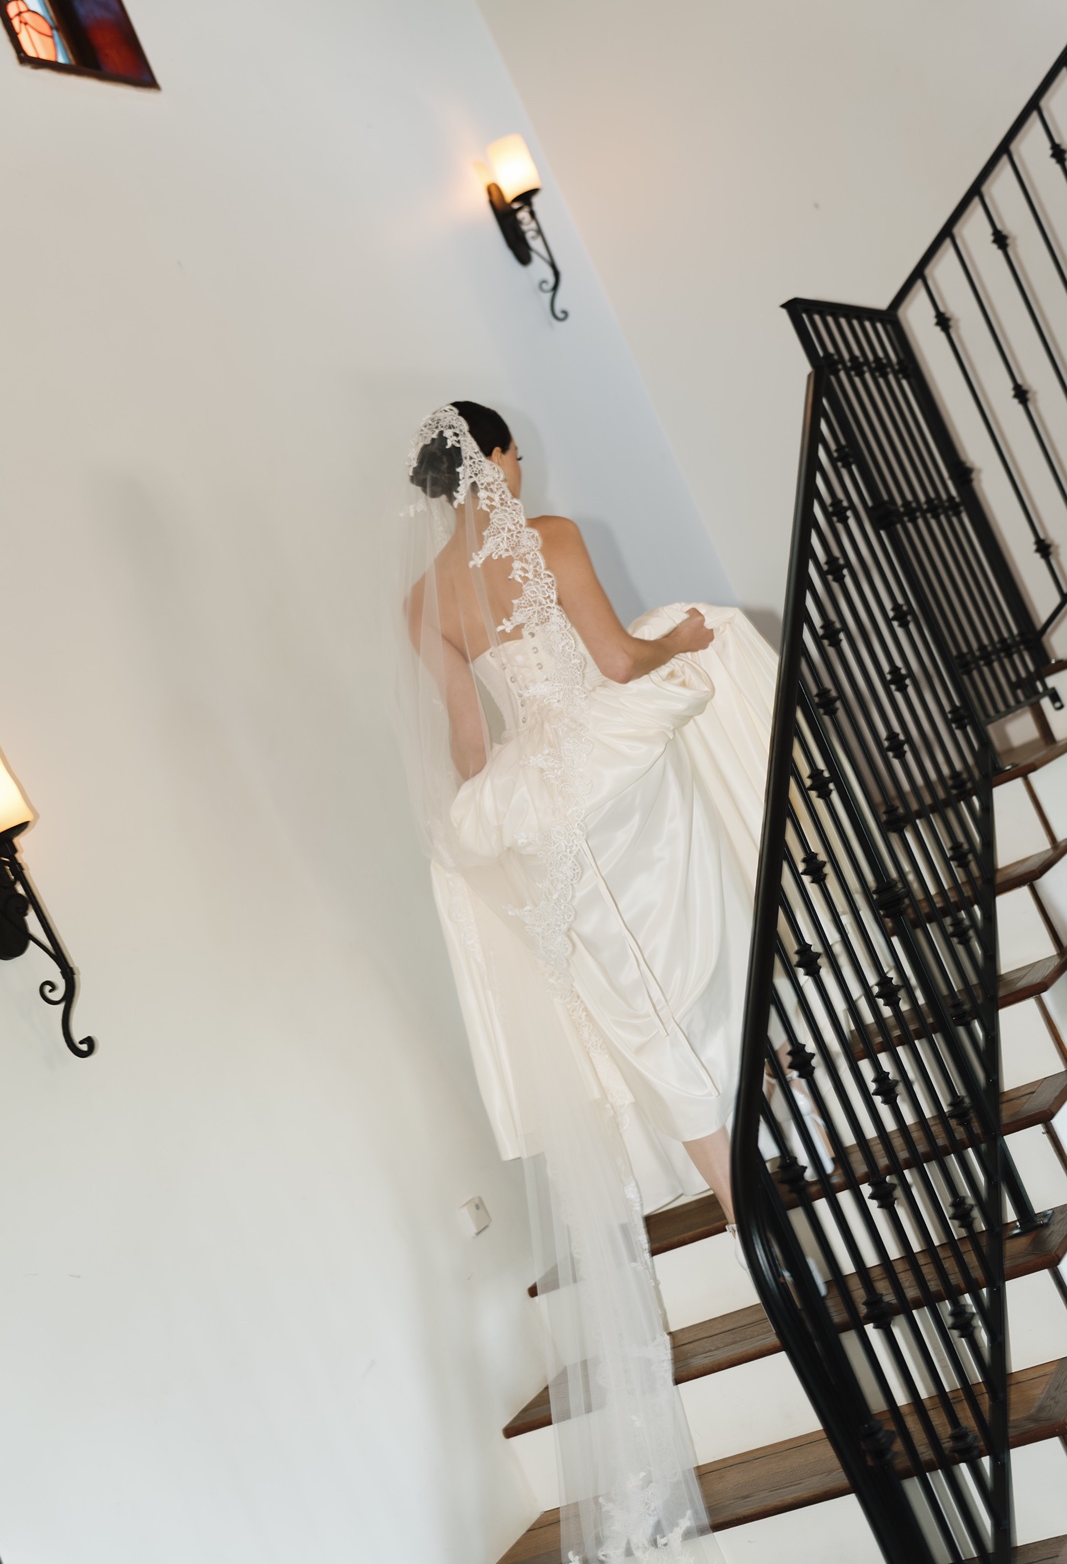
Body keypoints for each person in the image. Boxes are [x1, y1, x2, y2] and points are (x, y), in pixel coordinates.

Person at [390, 402, 777, 1564]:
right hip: (610, 783)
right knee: (696, 953)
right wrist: (687, 646)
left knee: (634, 1000)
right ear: (498, 459)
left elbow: (467, 747)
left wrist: (502, 812)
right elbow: (614, 662)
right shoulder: (547, 532)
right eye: (513, 455)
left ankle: (733, 1196)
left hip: (542, 818)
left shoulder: (421, 604)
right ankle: (750, 1190)